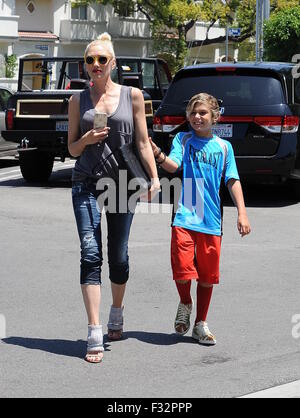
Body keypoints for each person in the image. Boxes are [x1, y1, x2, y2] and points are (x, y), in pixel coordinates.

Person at [68, 33, 160, 363]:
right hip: (86, 182)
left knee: (118, 255)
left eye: (101, 60)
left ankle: (116, 311)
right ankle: (94, 330)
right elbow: (72, 148)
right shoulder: (77, 100)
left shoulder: (133, 96)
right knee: (90, 252)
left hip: (122, 182)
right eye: (90, 60)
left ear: (113, 64)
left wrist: (153, 177)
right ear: (85, 65)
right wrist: (88, 137)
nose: (95, 65)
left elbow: (144, 141)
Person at [149, 93, 251, 345]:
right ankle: (185, 301)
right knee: (183, 271)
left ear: (215, 117)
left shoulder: (224, 148)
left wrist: (242, 212)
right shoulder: (183, 139)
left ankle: (200, 324)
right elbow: (174, 165)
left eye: (203, 112)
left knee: (207, 277)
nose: (197, 117)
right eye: (193, 113)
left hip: (211, 219)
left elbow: (232, 180)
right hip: (185, 214)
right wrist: (159, 155)